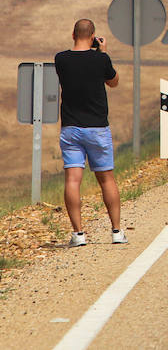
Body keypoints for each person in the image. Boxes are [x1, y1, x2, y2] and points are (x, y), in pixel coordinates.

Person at [54, 19, 125, 247]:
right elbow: (113, 82)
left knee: (73, 180)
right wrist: (103, 53)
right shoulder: (100, 59)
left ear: (73, 34)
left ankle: (79, 234)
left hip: (71, 129)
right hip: (97, 129)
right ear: (93, 35)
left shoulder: (61, 59)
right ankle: (116, 232)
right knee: (106, 179)